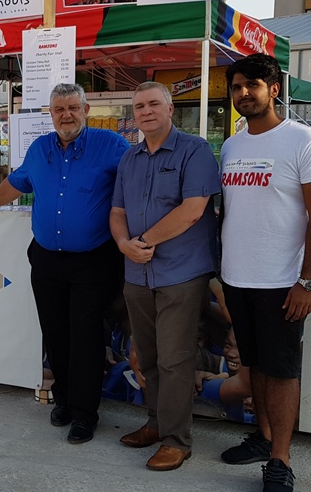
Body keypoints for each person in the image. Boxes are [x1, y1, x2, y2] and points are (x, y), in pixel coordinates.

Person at [0, 83, 129, 444]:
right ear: (50, 114)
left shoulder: (112, 145)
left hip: (93, 261)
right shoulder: (40, 149)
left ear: (85, 109)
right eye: (59, 109)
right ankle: (65, 401)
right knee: (55, 332)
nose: (66, 114)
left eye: (72, 107)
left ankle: (86, 414)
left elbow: (134, 185)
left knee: (85, 337)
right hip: (47, 260)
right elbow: (16, 183)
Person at [220, 53, 311, 492]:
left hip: (282, 283)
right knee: (256, 366)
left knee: (283, 370)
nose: (243, 93)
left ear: (274, 90)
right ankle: (264, 437)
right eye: (236, 87)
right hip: (237, 278)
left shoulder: (305, 141)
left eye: (252, 85)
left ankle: (281, 461)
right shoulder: (233, 144)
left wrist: (307, 281)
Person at [109, 81, 220, 470]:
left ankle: (177, 440)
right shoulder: (130, 158)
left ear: (170, 109)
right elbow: (117, 210)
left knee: (175, 359)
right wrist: (124, 244)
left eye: (154, 103)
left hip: (180, 273)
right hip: (137, 273)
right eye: (139, 106)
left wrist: (142, 240)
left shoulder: (196, 150)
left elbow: (193, 209)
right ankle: (156, 424)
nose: (146, 111)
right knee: (147, 356)